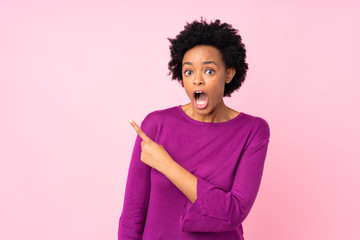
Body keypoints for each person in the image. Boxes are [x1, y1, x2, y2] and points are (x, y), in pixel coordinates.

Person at [118, 18, 270, 240]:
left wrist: (166, 165)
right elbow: (132, 217)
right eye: (189, 72)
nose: (197, 80)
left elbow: (232, 213)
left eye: (209, 71)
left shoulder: (253, 131)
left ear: (228, 74)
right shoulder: (155, 125)